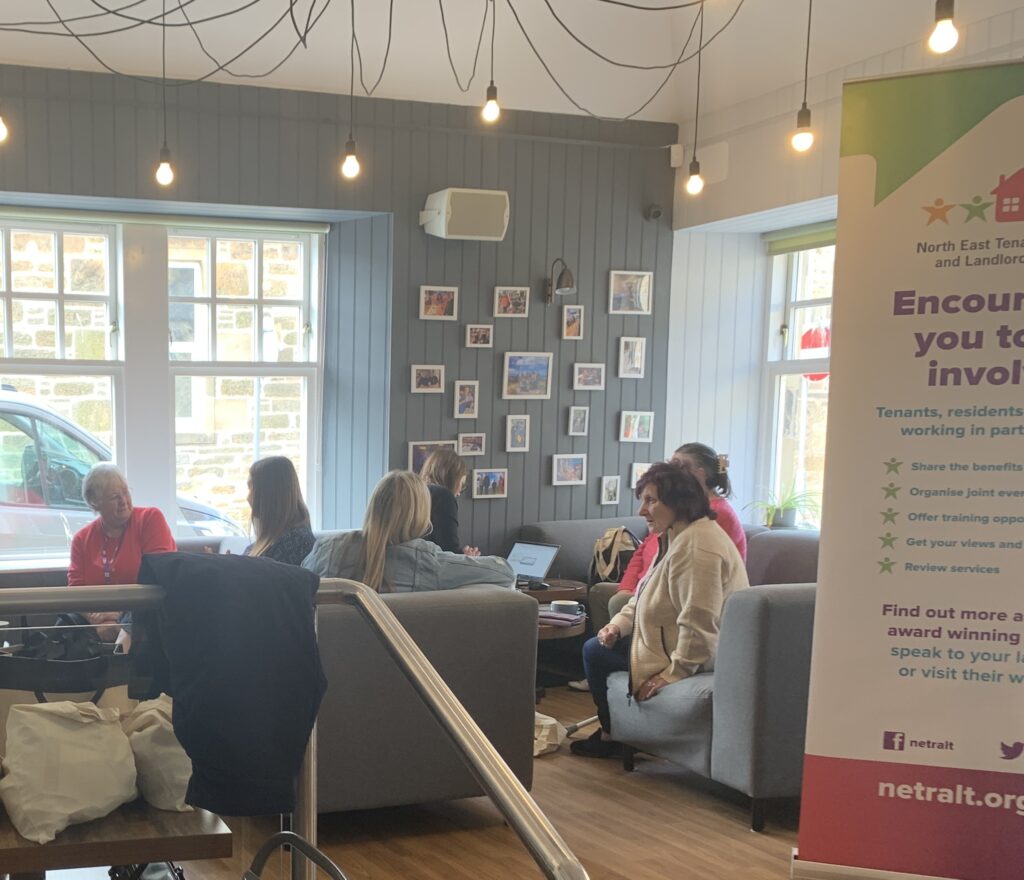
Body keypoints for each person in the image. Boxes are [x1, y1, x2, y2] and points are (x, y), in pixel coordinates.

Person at [571, 462, 749, 758]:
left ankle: (611, 735)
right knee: (598, 645)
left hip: (701, 657)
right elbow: (643, 597)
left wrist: (674, 673)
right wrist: (616, 626)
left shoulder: (697, 547)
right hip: (668, 643)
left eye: (651, 501)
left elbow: (700, 623)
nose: (642, 511)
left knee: (595, 653)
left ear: (679, 502)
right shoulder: (677, 537)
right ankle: (616, 731)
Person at [303, 470, 512, 591]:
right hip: (402, 661)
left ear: (373, 505)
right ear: (421, 514)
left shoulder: (327, 549)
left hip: (327, 661)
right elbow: (504, 572)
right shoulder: (426, 560)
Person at [68, 463, 176, 642]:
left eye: (126, 492)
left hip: (146, 617)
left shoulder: (150, 519)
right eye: (114, 497)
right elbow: (76, 590)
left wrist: (119, 615)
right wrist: (98, 621)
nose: (124, 501)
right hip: (96, 625)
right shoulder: (82, 539)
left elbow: (158, 578)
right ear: (95, 502)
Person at [670, 442, 747, 561]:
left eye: (677, 468)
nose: (669, 474)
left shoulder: (715, 513)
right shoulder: (692, 507)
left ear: (701, 474)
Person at [244, 456, 315, 565]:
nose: (248, 498)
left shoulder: (296, 543)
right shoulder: (264, 543)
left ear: (269, 494)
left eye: (252, 488)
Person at [419, 449, 480, 556]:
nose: (459, 493)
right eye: (462, 482)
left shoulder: (418, 492)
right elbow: (449, 551)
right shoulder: (444, 496)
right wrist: (468, 558)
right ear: (454, 479)